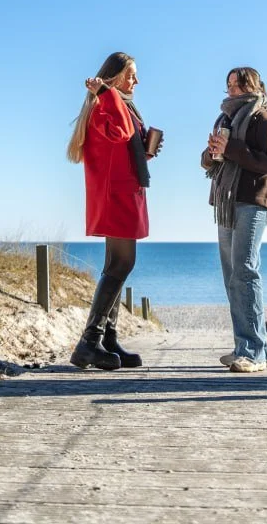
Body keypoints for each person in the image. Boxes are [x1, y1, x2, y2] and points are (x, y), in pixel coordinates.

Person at [66, 52, 161, 370]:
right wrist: (104, 92)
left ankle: (107, 338)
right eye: (131, 74)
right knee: (121, 263)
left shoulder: (115, 104)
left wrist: (144, 151)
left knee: (116, 265)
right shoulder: (105, 105)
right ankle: (88, 344)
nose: (136, 81)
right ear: (115, 77)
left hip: (124, 192)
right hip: (115, 195)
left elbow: (121, 145)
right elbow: (120, 131)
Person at [201, 66, 267, 374]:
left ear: (254, 86)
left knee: (245, 272)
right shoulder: (225, 120)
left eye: (238, 85)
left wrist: (232, 149)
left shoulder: (264, 120)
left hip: (253, 200)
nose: (232, 91)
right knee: (232, 275)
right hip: (226, 201)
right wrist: (211, 154)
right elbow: (209, 162)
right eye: (229, 86)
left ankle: (256, 352)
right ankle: (244, 347)